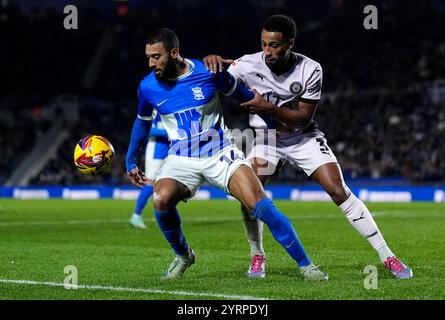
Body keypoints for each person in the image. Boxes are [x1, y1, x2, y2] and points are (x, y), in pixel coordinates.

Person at [203, 15, 413, 279]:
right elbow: (215, 83)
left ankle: (388, 257)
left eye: (275, 45)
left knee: (339, 190)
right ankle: (257, 255)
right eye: (264, 44)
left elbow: (303, 118)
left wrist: (268, 107)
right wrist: (209, 63)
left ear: (290, 43)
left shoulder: (310, 69)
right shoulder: (246, 64)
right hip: (266, 138)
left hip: (302, 136)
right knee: (249, 196)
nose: (267, 51)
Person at [125, 27, 328, 281]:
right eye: (148, 57)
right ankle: (183, 255)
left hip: (220, 152)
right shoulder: (147, 87)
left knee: (260, 204)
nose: (151, 63)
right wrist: (131, 159)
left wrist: (280, 130)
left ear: (174, 53)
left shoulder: (207, 73)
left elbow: (245, 98)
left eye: (156, 56)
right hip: (180, 158)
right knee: (160, 199)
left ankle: (306, 264)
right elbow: (142, 122)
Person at [129, 112, 169, 229]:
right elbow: (148, 130)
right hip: (156, 152)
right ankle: (136, 216)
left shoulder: (171, 106)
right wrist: (168, 132)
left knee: (168, 184)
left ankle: (165, 217)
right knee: (150, 183)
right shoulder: (155, 109)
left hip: (171, 151)